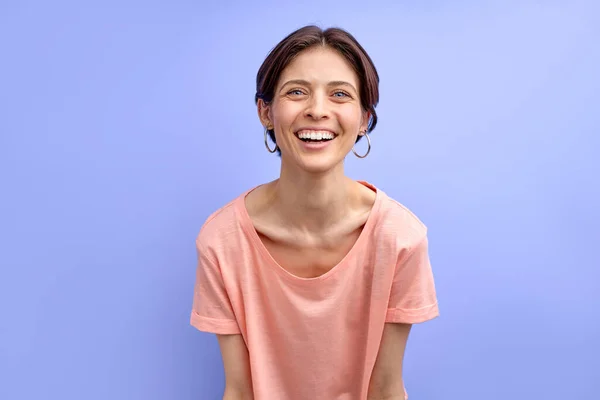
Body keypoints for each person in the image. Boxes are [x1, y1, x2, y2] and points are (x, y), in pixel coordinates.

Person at [190, 25, 439, 400]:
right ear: (265, 111)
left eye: (340, 94)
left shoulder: (400, 238)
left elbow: (386, 389)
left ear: (364, 119)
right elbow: (239, 390)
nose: (317, 111)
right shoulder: (222, 242)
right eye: (296, 92)